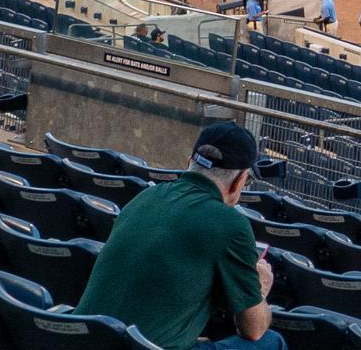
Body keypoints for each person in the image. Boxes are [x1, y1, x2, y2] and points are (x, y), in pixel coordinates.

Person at [73, 121, 282, 350]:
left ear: (190, 162)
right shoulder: (231, 224)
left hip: (84, 340)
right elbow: (253, 330)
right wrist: (260, 287)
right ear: (240, 180)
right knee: (271, 342)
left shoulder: (145, 197)